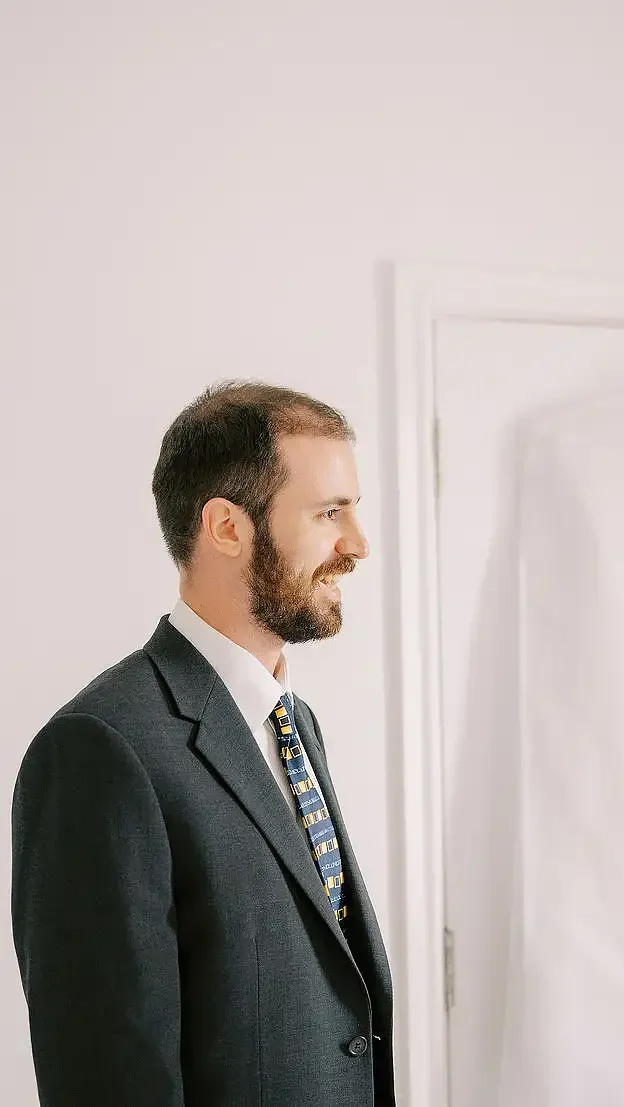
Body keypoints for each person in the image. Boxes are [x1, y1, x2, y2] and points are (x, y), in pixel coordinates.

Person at [12, 381, 395, 1106]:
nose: (358, 544)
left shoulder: (294, 722)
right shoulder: (99, 747)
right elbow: (107, 1077)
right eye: (328, 512)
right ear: (226, 526)